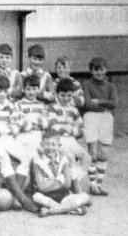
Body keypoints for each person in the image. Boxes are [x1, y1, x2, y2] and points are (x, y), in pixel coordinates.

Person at [0, 75, 39, 212]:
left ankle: (15, 196)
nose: (2, 95)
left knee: (26, 157)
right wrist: (6, 129)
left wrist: (6, 129)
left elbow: (19, 123)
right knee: (3, 157)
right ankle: (23, 198)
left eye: (4, 91)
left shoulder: (10, 105)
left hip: (7, 138)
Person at [32, 130, 91, 218]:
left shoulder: (63, 160)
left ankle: (51, 211)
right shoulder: (38, 161)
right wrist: (60, 180)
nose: (50, 148)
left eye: (53, 144)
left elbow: (67, 184)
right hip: (47, 197)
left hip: (64, 196)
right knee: (36, 196)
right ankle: (70, 209)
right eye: (47, 144)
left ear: (58, 145)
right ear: (42, 145)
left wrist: (49, 181)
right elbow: (42, 187)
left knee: (85, 197)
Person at [47, 78, 91, 193]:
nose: (66, 99)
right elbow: (53, 127)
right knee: (70, 158)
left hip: (71, 140)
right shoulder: (52, 108)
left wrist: (70, 130)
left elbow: (81, 130)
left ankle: (74, 181)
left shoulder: (74, 110)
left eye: (69, 96)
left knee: (87, 158)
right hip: (58, 141)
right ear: (56, 94)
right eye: (62, 95)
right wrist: (69, 129)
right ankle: (76, 189)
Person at [83, 57, 118, 196]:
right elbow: (87, 104)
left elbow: (114, 103)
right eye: (96, 69)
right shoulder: (86, 84)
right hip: (91, 117)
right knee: (93, 152)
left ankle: (99, 184)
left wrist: (98, 101)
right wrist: (105, 103)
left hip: (106, 118)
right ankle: (92, 184)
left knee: (103, 153)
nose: (99, 72)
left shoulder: (111, 86)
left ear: (106, 70)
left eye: (102, 69)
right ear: (91, 70)